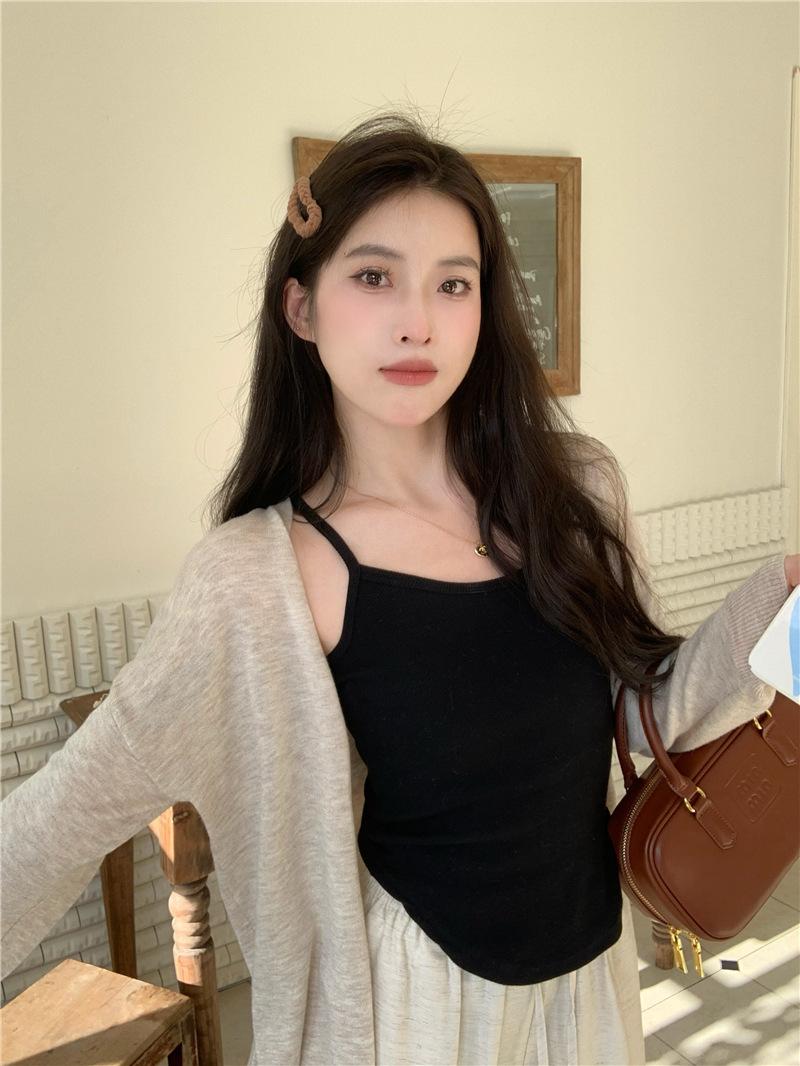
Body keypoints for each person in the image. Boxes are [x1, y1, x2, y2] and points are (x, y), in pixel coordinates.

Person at [2, 111, 796, 1066]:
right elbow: (61, 816)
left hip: (593, 989)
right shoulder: (262, 574)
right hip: (415, 1011)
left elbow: (639, 716)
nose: (417, 320)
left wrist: (779, 600)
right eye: (374, 277)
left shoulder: (576, 492)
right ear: (301, 309)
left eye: (452, 284)